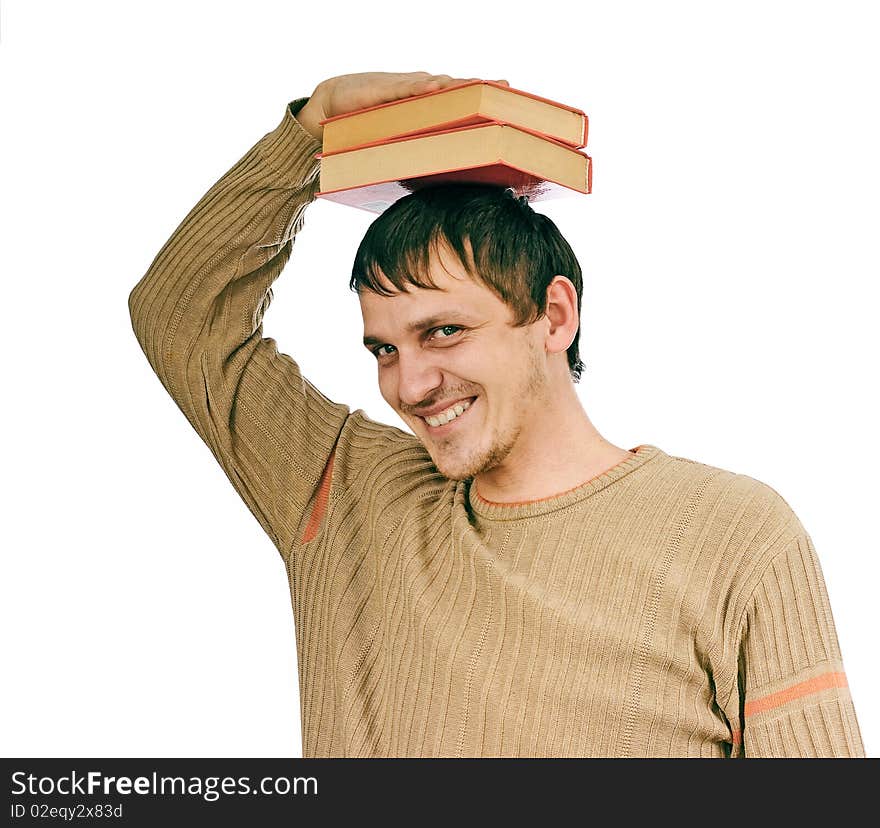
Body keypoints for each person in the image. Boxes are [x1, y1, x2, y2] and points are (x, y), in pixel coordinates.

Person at [128, 71, 865, 758]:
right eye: (383, 348)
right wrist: (311, 132)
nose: (410, 384)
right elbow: (179, 315)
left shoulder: (733, 533)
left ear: (553, 315)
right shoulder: (342, 493)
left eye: (443, 332)